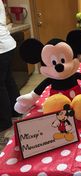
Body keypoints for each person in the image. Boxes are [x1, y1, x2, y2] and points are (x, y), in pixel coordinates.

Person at [0, 0, 21, 144]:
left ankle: (4, 122)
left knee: (1, 84)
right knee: (8, 80)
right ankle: (16, 110)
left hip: (1, 46)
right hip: (6, 43)